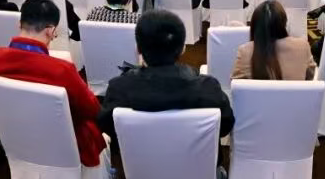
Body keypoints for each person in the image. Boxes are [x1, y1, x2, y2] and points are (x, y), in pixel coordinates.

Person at [0, 0, 106, 166]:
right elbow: (92, 109)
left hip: (16, 140)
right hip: (62, 147)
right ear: (50, 31)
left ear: (19, 24)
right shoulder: (61, 70)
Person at [98, 8, 233, 145]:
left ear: (138, 49)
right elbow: (225, 127)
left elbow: (107, 127)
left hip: (141, 158)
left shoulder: (119, 89)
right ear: (183, 49)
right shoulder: (209, 88)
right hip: (198, 158)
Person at [232, 1, 314, 80]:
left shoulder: (245, 51)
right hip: (295, 90)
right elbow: (310, 77)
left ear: (255, 25)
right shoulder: (302, 46)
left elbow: (236, 86)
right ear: (284, 23)